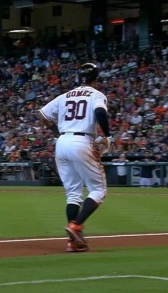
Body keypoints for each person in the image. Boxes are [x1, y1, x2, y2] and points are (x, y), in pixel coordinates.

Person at [36, 62, 112, 253]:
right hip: (82, 141)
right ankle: (76, 226)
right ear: (95, 79)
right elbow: (100, 112)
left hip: (62, 142)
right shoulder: (96, 95)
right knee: (98, 190)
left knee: (73, 194)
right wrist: (108, 135)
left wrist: (57, 131)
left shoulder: (64, 96)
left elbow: (42, 114)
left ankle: (73, 242)